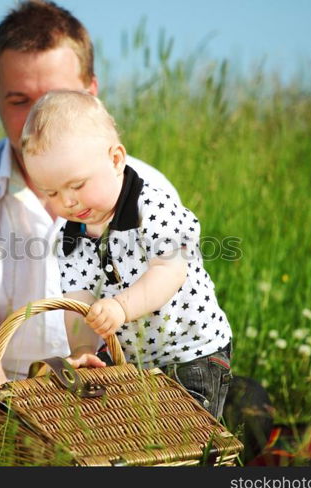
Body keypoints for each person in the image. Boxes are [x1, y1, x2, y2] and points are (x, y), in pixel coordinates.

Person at [0, 0, 272, 458]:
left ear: (91, 94)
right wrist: (34, 403)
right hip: (10, 405)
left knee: (245, 402)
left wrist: (103, 364)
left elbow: (159, 295)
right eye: (19, 101)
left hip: (120, 396)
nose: (38, 119)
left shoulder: (143, 187)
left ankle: (139, 458)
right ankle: (22, 460)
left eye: (53, 99)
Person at [21, 90, 233, 417]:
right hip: (132, 358)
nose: (68, 202)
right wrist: (81, 348)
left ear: (116, 159)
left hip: (190, 354)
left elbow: (169, 271)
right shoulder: (74, 231)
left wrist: (121, 307)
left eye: (77, 185)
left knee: (187, 432)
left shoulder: (152, 207)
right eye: (51, 193)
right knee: (128, 425)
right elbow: (80, 297)